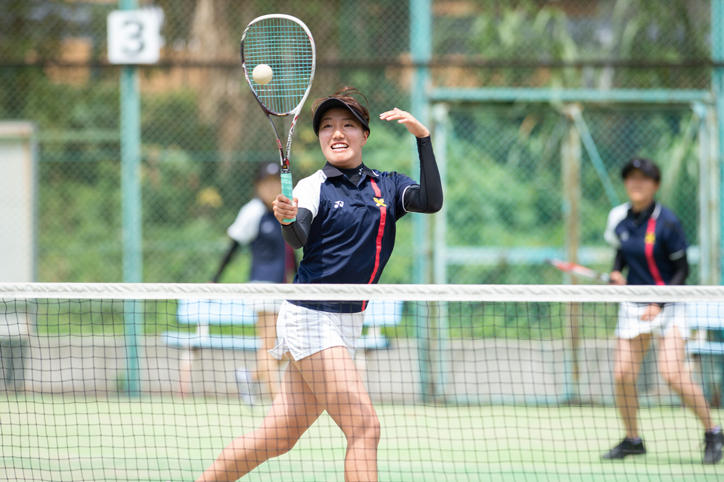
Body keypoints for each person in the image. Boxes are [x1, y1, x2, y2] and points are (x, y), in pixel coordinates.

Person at [197, 86, 443, 481]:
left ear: (364, 135)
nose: (337, 132)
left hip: (348, 322)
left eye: (348, 124)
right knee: (365, 428)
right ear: (320, 137)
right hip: (310, 318)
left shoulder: (388, 186)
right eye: (327, 126)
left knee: (277, 437)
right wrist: (287, 219)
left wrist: (423, 139)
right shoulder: (312, 187)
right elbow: (298, 237)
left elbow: (431, 201)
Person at [601, 158, 723, 464]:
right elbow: (622, 252)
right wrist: (616, 273)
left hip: (669, 306)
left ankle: (713, 432)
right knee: (622, 374)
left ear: (655, 185)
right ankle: (633, 440)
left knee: (672, 373)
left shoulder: (667, 223)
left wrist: (660, 303)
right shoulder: (620, 219)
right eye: (631, 178)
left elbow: (682, 270)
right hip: (633, 305)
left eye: (644, 178)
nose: (636, 184)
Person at [195, 162, 296, 403]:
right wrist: (215, 279)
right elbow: (233, 246)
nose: (271, 188)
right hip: (262, 287)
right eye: (266, 183)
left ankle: (249, 377)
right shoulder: (252, 212)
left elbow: (294, 253)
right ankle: (278, 404)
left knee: (291, 347)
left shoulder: (287, 209)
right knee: (269, 345)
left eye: (275, 182)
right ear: (257, 186)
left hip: (287, 289)